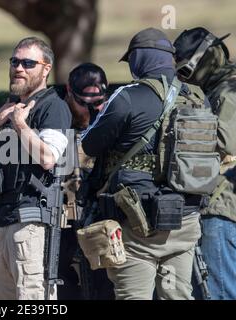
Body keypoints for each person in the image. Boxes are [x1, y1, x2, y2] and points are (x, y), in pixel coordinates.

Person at [81, 28, 208, 300]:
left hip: (137, 224)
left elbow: (89, 144)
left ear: (138, 60)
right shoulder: (197, 97)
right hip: (185, 221)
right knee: (178, 296)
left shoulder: (127, 96)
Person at [0, 37, 72, 300]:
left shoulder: (53, 106)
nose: (19, 68)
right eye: (15, 61)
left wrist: (20, 125)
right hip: (0, 223)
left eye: (28, 63)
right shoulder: (9, 107)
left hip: (30, 224)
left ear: (46, 69)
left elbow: (48, 158)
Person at [174, 27, 236, 300]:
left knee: (220, 291)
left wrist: (181, 122)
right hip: (222, 205)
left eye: (183, 71)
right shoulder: (221, 88)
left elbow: (226, 141)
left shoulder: (229, 90)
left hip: (222, 208)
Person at [57, 62, 115, 300]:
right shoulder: (55, 119)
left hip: (100, 222)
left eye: (99, 102)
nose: (92, 110)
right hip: (63, 224)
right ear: (69, 91)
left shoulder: (112, 121)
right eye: (84, 103)